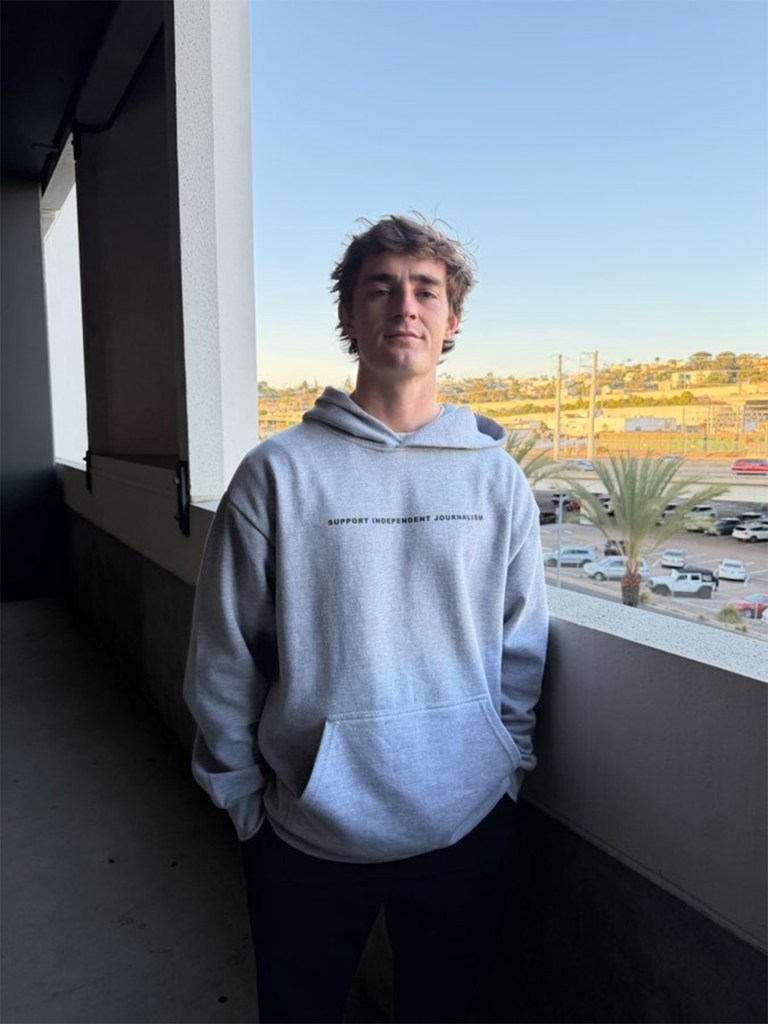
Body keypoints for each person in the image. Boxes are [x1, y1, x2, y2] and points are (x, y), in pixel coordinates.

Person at [184, 214, 549, 1023]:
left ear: (452, 323)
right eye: (379, 288)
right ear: (348, 316)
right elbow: (223, 653)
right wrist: (246, 804)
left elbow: (521, 642)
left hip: (466, 821)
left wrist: (507, 764)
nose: (404, 307)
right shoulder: (277, 474)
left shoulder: (498, 482)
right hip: (307, 833)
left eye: (426, 291)